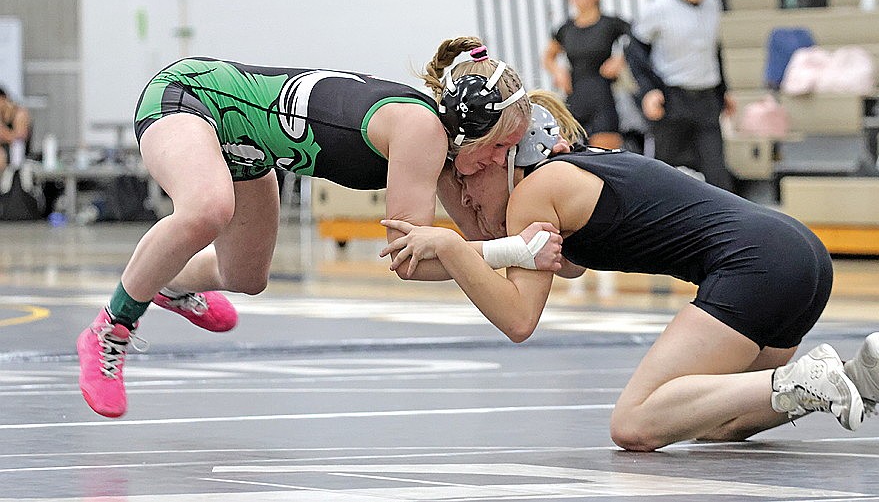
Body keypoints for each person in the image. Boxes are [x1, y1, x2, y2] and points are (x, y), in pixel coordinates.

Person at [381, 100, 879, 450]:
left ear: (506, 155)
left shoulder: (536, 192)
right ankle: (862, 376)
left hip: (755, 263)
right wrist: (462, 247)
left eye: (468, 180)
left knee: (635, 424)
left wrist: (451, 246)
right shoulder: (574, 173)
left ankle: (808, 377)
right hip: (797, 253)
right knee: (710, 421)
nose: (469, 198)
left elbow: (518, 317)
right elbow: (544, 262)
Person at [76, 39, 562, 418]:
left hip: (250, 149)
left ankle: (169, 281)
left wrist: (558, 180)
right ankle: (110, 328)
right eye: (501, 147)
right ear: (468, 132)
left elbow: (477, 243)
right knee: (207, 208)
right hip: (192, 96)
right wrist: (513, 253)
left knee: (246, 276)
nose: (502, 160)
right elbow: (411, 260)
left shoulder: (447, 145)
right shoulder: (422, 133)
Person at [627, 0, 736, 192]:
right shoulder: (658, 8)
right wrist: (648, 91)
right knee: (664, 176)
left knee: (718, 175)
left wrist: (723, 91)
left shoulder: (713, 5)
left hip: (707, 101)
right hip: (672, 101)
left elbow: (713, 51)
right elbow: (634, 51)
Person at [542, 0, 631, 150]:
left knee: (605, 156)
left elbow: (637, 40)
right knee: (571, 156)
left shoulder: (610, 24)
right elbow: (548, 57)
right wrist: (558, 71)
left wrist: (620, 59)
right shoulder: (566, 29)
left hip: (603, 97)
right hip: (574, 98)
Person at [0, 86, 32, 173]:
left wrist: (4, 133)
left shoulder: (19, 113)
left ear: (3, 98)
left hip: (17, 153)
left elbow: (20, 137)